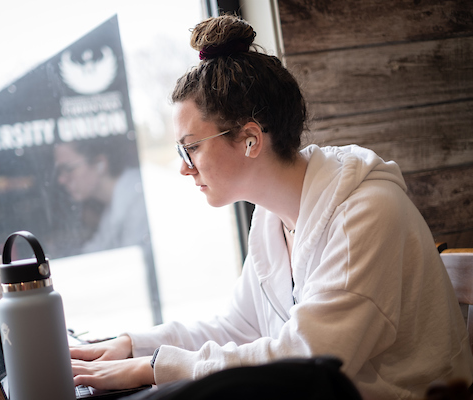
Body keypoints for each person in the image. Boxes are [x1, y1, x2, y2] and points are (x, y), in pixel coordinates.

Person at [69, 15, 473, 399]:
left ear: (250, 139)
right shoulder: (271, 218)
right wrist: (134, 345)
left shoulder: (364, 214)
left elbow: (310, 359)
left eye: (190, 148)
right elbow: (237, 327)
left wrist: (155, 368)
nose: (182, 168)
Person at [53, 135, 150, 254]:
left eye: (68, 169)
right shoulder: (112, 208)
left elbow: (133, 263)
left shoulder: (139, 200)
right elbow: (94, 252)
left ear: (100, 164)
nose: (61, 179)